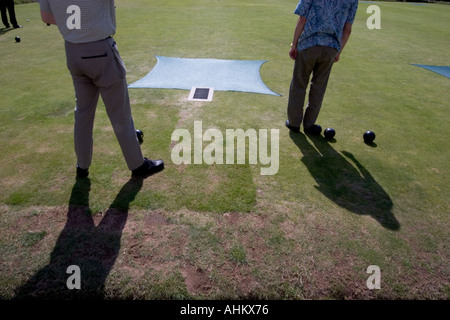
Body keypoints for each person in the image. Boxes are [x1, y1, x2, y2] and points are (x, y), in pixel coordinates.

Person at [37, 0, 164, 179]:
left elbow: (47, 17)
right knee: (120, 113)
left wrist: (77, 27)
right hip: (100, 49)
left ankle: (82, 166)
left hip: (72, 50)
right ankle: (137, 165)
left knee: (83, 112)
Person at [285, 0, 358, 135]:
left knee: (299, 84)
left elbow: (302, 19)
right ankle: (309, 124)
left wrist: (294, 45)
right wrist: (338, 51)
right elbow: (347, 29)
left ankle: (294, 123)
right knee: (319, 86)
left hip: (308, 45)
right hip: (331, 48)